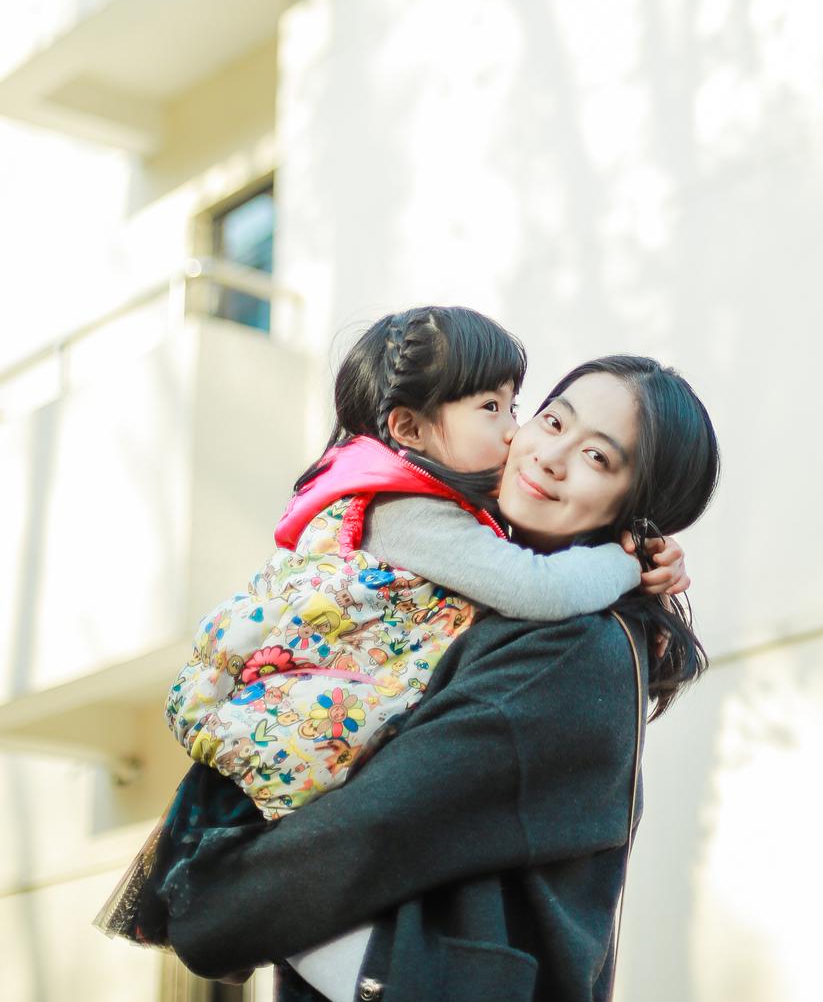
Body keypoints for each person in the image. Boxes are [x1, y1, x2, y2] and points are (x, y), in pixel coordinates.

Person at [157, 354, 720, 1002]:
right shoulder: (473, 585)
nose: (550, 458)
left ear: (635, 508)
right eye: (552, 422)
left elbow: (385, 821)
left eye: (597, 458)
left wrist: (212, 903)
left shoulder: (573, 649)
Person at [163, 306, 685, 819]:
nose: (515, 433)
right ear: (409, 429)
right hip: (286, 759)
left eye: (514, 407)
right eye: (492, 408)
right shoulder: (405, 509)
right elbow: (536, 587)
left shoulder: (420, 503)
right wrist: (626, 565)